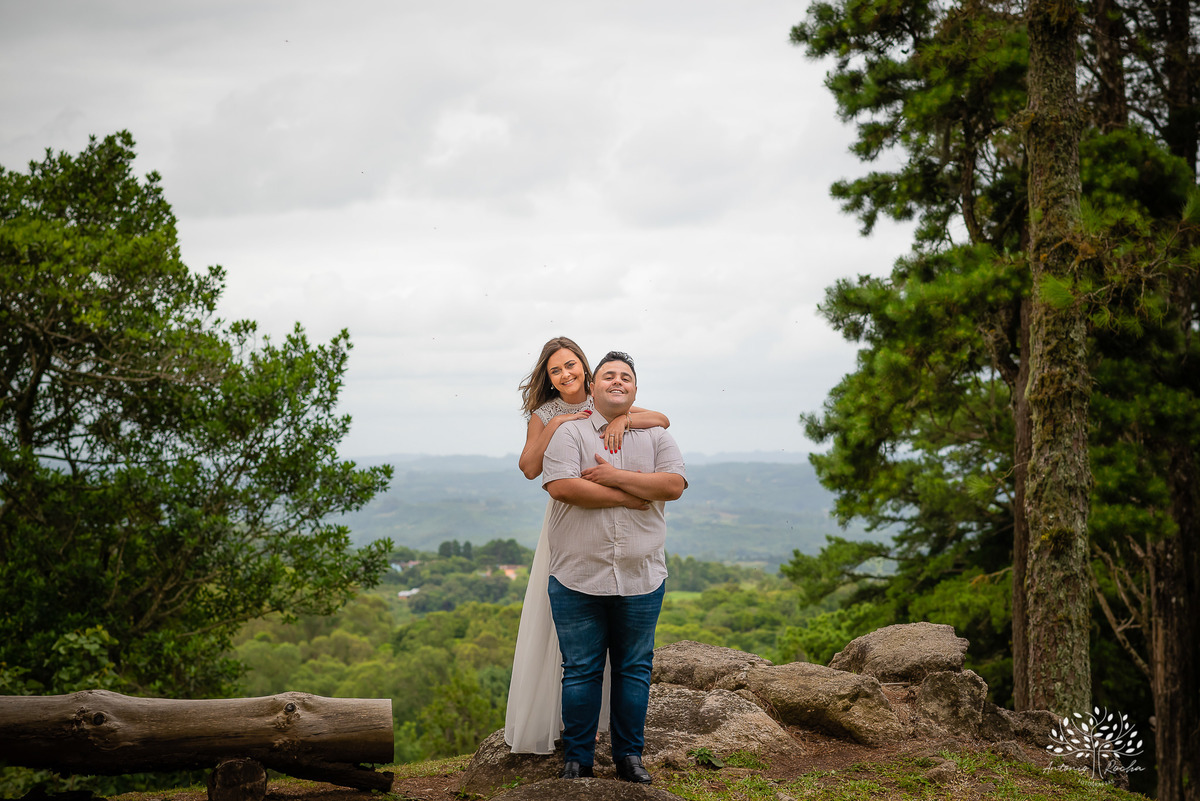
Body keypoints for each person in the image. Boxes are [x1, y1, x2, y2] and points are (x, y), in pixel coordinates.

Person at [505, 338, 670, 755]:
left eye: (571, 366)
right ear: (548, 378)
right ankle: (557, 723)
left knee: (619, 653)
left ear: (586, 369)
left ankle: (607, 733)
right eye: (555, 371)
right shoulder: (548, 414)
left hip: (621, 531)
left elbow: (663, 419)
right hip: (572, 521)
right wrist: (560, 424)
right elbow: (529, 468)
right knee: (565, 639)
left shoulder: (612, 398)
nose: (565, 375)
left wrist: (622, 421)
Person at [542, 351, 686, 783]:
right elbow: (562, 486)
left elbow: (673, 485)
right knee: (581, 669)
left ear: (635, 390)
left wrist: (611, 477)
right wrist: (631, 495)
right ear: (592, 386)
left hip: (642, 575)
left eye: (626, 377)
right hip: (577, 574)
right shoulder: (570, 432)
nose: (618, 381)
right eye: (608, 375)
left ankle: (629, 758)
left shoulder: (657, 436)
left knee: (634, 669)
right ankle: (578, 759)